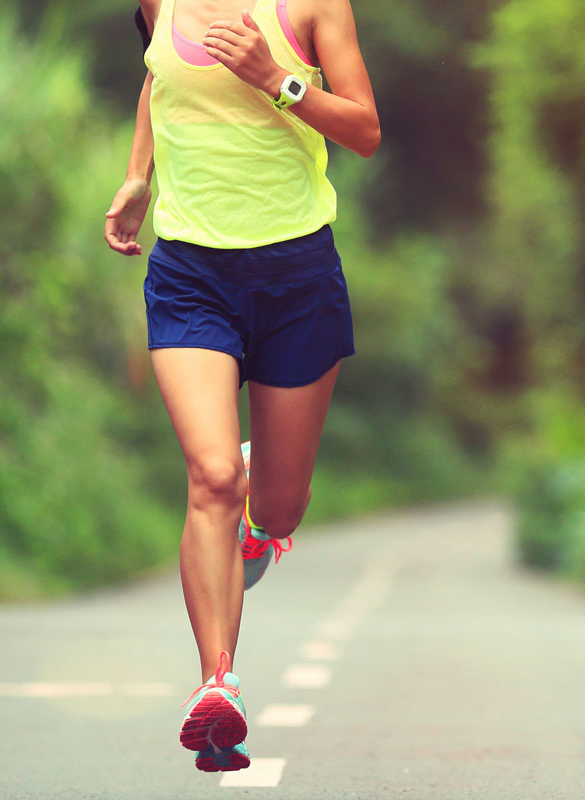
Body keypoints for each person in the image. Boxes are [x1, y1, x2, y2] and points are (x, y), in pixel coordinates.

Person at [104, 0, 379, 773]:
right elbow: (159, 76)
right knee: (213, 476)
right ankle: (216, 687)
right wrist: (137, 176)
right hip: (190, 275)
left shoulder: (314, 7)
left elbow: (364, 130)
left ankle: (263, 525)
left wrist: (273, 78)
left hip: (298, 275)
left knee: (279, 504)